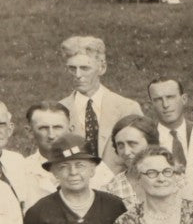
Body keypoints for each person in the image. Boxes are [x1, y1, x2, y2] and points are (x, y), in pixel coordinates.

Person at [59, 35, 145, 172]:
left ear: (102, 68)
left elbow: (143, 157)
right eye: (72, 68)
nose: (78, 74)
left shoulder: (127, 108)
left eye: (85, 68)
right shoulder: (58, 111)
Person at [100, 115, 162, 211]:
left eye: (132, 144)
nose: (126, 152)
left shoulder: (176, 182)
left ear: (151, 144)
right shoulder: (110, 190)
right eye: (120, 146)